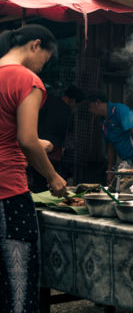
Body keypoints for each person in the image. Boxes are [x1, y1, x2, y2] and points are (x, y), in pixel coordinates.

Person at [0, 24, 67, 313]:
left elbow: (11, 134)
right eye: (46, 58)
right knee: (19, 285)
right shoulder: (27, 80)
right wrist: (52, 177)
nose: (43, 66)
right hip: (9, 195)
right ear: (35, 45)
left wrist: (41, 144)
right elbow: (26, 139)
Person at [27, 85, 85, 192]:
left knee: (36, 179)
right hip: (52, 152)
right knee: (46, 184)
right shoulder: (67, 112)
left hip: (35, 147)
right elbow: (64, 134)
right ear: (73, 101)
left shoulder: (47, 101)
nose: (75, 108)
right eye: (77, 105)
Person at [87, 92, 133, 183]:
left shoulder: (120, 110)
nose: (89, 111)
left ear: (97, 102)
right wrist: (110, 172)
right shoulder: (103, 122)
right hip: (129, 161)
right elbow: (110, 146)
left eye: (89, 107)